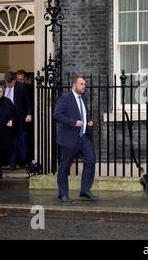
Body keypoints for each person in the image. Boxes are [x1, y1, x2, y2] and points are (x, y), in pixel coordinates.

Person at [53, 75, 96, 203]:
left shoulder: (84, 98)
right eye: (81, 84)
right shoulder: (65, 98)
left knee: (91, 161)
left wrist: (88, 122)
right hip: (69, 138)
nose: (84, 86)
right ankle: (63, 194)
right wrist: (73, 122)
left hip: (83, 138)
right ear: (74, 85)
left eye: (84, 84)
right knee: (64, 167)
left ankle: (85, 190)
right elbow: (57, 115)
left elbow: (83, 115)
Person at [3, 71, 33, 169]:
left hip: (20, 117)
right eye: (7, 83)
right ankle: (12, 162)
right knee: (10, 140)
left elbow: (28, 102)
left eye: (10, 83)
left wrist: (29, 114)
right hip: (6, 117)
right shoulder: (1, 86)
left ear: (15, 80)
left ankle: (22, 161)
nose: (8, 84)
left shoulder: (21, 87)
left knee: (20, 140)